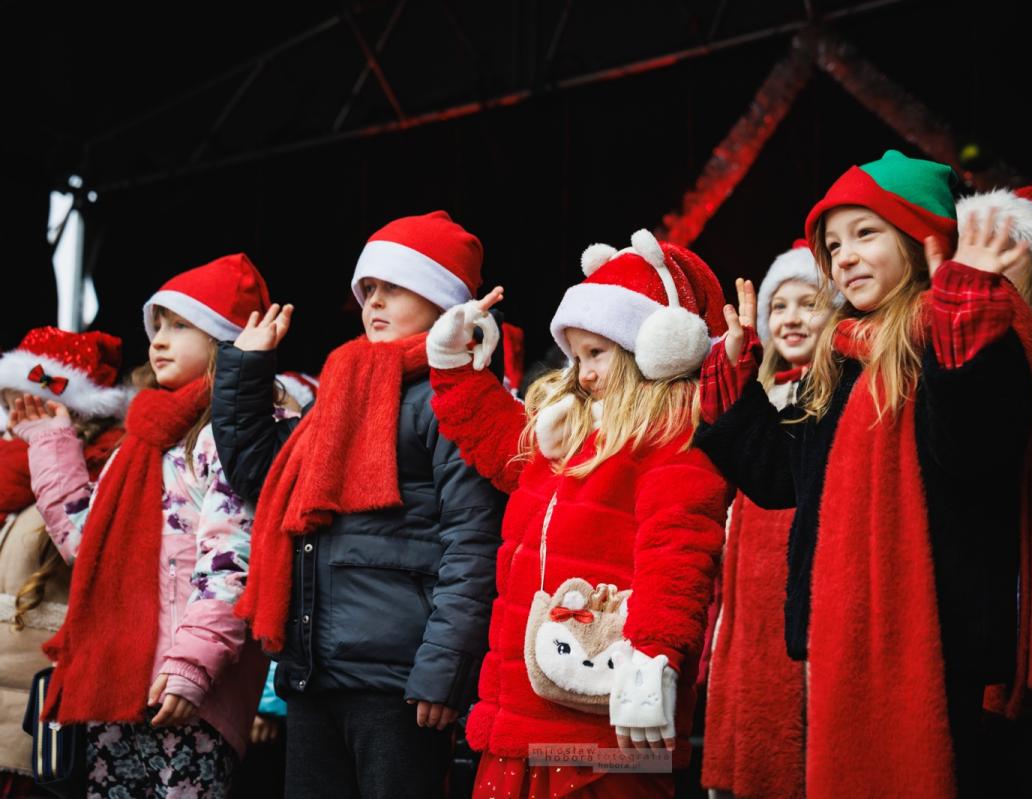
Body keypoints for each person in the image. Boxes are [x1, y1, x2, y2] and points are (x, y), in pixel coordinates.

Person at [694, 150, 1032, 798]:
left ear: (919, 237)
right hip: (842, 630)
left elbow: (975, 450)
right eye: (833, 245)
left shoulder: (973, 328)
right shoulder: (842, 355)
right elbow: (782, 477)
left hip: (938, 637)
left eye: (864, 233)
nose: (844, 256)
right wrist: (736, 385)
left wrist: (964, 320)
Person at [424, 229, 730, 797]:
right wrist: (455, 366)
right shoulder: (567, 427)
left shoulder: (671, 437)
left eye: (598, 353)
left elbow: (678, 551)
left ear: (652, 350)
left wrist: (653, 658)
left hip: (605, 724)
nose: (583, 372)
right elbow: (496, 442)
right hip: (525, 712)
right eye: (577, 355)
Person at [227, 211, 506, 799]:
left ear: (440, 299)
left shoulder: (456, 398)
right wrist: (246, 373)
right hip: (315, 672)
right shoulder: (343, 387)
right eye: (368, 288)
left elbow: (474, 544)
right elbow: (262, 477)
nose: (373, 301)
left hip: (400, 683)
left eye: (394, 287)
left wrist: (443, 670)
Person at [12, 254, 272, 797]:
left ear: (224, 341)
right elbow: (89, 547)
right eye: (158, 325)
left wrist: (192, 667)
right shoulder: (141, 441)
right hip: (116, 684)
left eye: (181, 325)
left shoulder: (228, 437)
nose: (159, 340)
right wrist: (52, 443)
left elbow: (231, 565)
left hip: (188, 690)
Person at [700, 242, 838, 799]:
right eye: (780, 306)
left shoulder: (833, 394)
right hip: (750, 608)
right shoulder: (761, 395)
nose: (791, 318)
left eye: (809, 303)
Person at [0, 327, 126, 795]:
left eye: (23, 402)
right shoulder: (14, 477)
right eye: (7, 402)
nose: (11, 418)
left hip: (36, 705)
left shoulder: (94, 472)